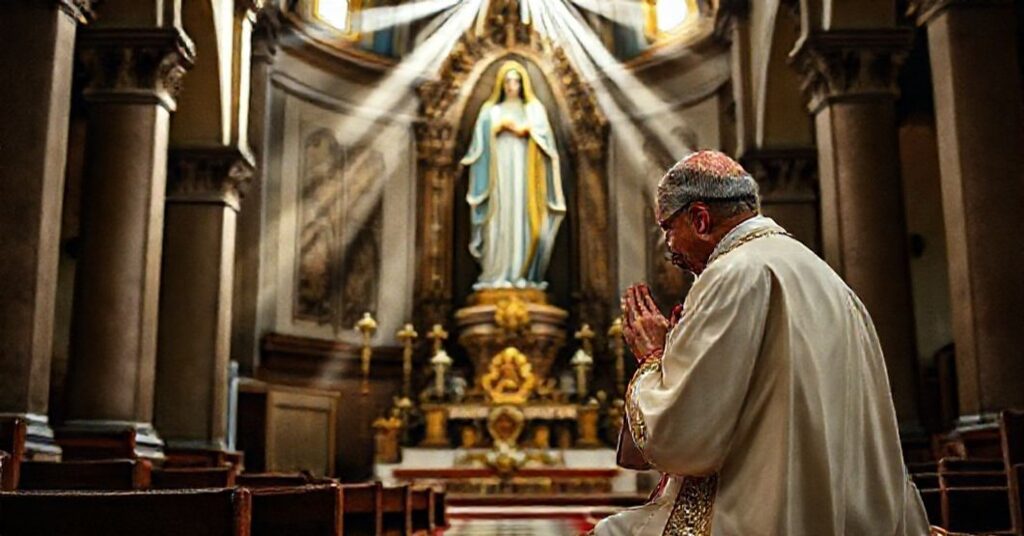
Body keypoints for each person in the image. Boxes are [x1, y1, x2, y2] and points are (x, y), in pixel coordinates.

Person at [594, 151, 929, 535]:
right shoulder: (827, 278)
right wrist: (683, 351)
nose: (670, 249)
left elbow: (684, 435)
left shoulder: (732, 275)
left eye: (668, 229)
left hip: (765, 519)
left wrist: (653, 356)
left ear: (700, 219)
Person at [460, 60, 566, 289]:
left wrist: (526, 130)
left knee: (523, 220)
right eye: (507, 81)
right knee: (500, 219)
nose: (511, 85)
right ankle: (496, 273)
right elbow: (478, 149)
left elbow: (547, 145)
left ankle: (523, 275)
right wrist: (496, 130)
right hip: (499, 180)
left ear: (522, 83)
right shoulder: (491, 112)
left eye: (516, 81)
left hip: (525, 181)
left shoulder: (533, 110)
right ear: (501, 84)